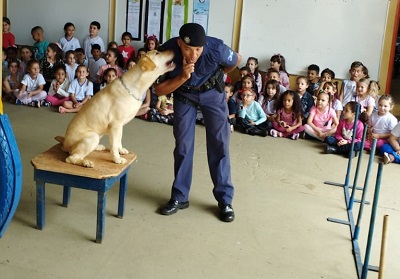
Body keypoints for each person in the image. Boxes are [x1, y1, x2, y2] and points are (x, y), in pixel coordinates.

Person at [154, 23, 241, 222]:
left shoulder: (216, 49)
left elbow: (236, 60)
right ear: (179, 44)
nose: (193, 55)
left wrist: (216, 76)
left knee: (220, 145)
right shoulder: (167, 52)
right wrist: (183, 77)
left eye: (198, 50)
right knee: (183, 145)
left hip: (213, 94)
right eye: (187, 49)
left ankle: (225, 200)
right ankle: (179, 196)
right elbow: (159, 90)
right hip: (184, 96)